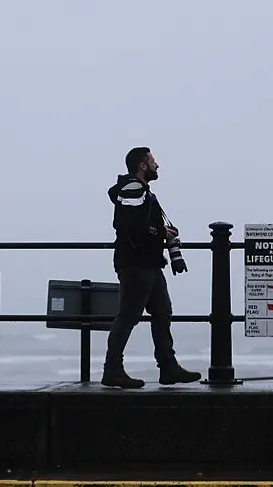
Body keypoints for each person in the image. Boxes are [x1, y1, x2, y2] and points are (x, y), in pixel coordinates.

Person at [101, 146, 203, 389]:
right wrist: (159, 234)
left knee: (162, 310)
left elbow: (140, 224)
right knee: (129, 315)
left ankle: (168, 367)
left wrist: (161, 232)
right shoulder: (133, 189)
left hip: (148, 263)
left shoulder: (139, 192)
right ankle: (112, 370)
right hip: (137, 263)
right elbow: (130, 226)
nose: (158, 165)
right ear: (143, 166)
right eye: (153, 161)